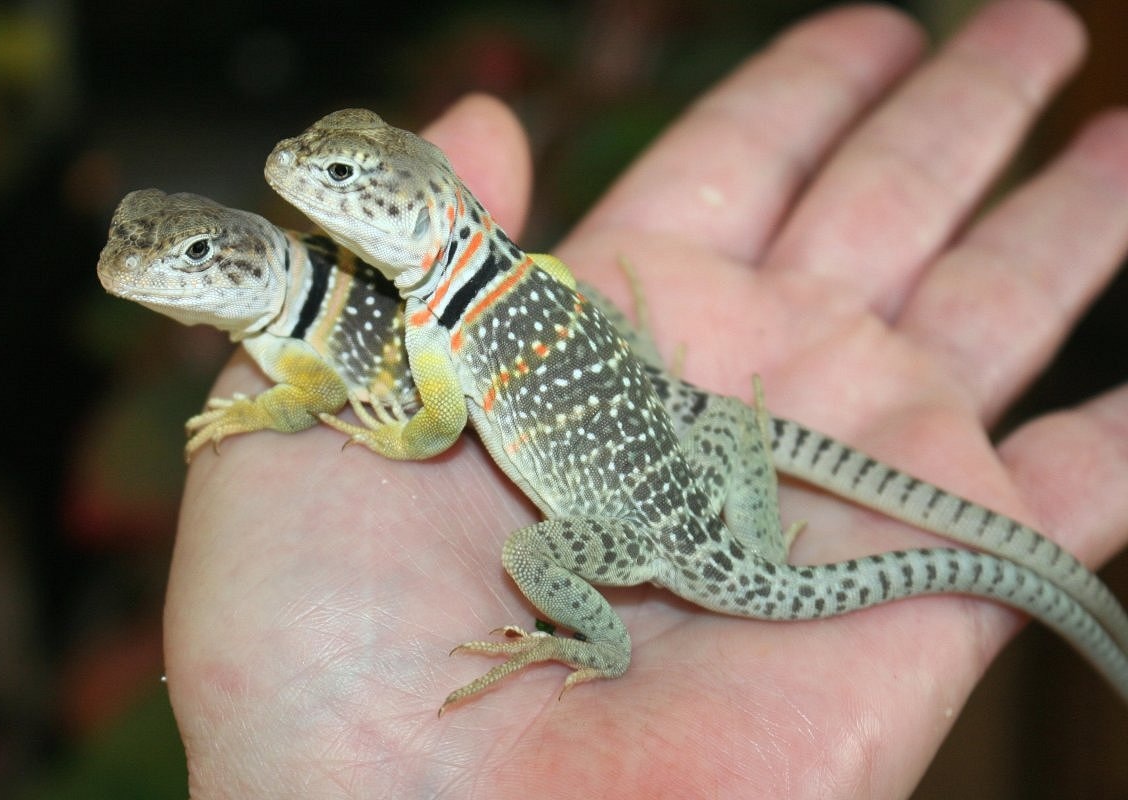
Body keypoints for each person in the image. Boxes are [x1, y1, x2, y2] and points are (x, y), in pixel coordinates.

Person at [163, 2, 1128, 796]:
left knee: (528, 550)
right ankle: (760, 544)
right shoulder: (496, 281)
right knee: (722, 437)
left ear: (423, 211)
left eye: (339, 176)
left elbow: (442, 424)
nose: (301, 175)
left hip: (654, 543)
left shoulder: (442, 321)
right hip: (698, 517)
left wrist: (394, 437)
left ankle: (610, 641)